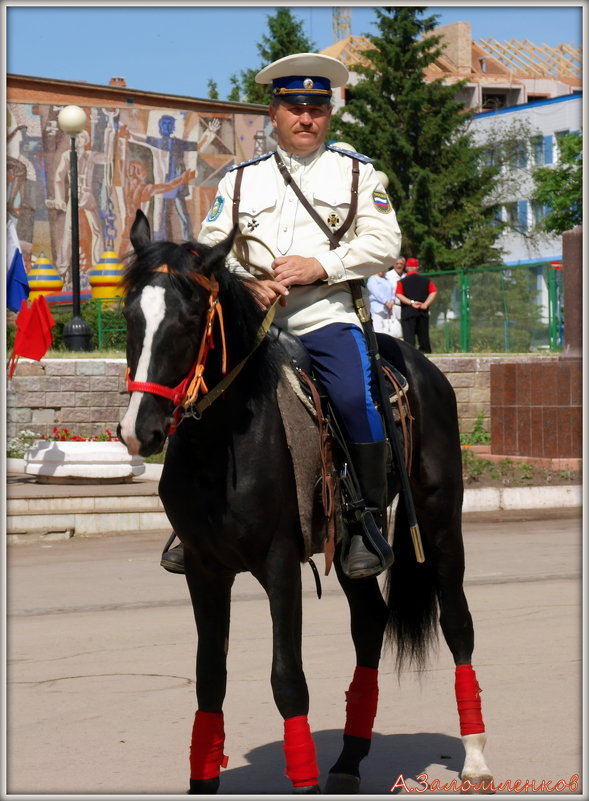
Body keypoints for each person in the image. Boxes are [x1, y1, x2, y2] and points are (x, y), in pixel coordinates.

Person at [161, 52, 402, 580]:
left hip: (325, 316)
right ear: (274, 113)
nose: (306, 118)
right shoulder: (240, 180)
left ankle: (364, 521)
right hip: (251, 325)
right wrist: (244, 284)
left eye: (317, 107)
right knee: (194, 391)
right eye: (295, 107)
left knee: (352, 397)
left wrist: (322, 264)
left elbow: (385, 241)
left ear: (330, 113)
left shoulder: (358, 174)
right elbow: (208, 246)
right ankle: (189, 519)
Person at [395, 257, 438, 353]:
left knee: (409, 337)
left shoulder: (402, 282)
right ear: (417, 267)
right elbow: (433, 292)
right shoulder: (426, 281)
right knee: (423, 335)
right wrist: (425, 304)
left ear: (407, 268)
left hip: (408, 312)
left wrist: (411, 302)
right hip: (422, 311)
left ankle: (410, 354)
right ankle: (425, 351)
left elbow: (398, 294)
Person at [367, 269, 396, 334]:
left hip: (388, 309)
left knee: (388, 329)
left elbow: (392, 291)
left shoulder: (386, 279)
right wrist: (386, 302)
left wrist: (392, 301)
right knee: (378, 329)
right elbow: (376, 292)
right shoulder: (372, 279)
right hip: (377, 308)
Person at [385, 256, 406, 338]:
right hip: (392, 306)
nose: (399, 266)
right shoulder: (388, 275)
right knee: (394, 330)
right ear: (393, 265)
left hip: (404, 306)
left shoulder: (406, 275)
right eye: (397, 263)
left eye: (401, 264)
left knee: (404, 330)